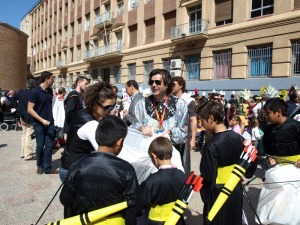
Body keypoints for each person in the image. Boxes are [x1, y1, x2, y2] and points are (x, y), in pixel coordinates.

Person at [60, 116, 139, 225]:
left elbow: (65, 199)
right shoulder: (126, 170)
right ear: (119, 142)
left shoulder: (78, 164)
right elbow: (132, 206)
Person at [197, 101, 256, 225]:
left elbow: (208, 175)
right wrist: (242, 173)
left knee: (217, 219)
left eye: (202, 120)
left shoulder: (210, 146)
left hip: (217, 192)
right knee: (233, 218)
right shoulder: (238, 137)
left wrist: (206, 197)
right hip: (235, 188)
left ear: (211, 118)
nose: (201, 124)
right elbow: (250, 159)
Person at [59, 82, 116, 181]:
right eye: (107, 107)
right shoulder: (90, 124)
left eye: (113, 106)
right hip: (73, 171)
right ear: (94, 104)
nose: (111, 110)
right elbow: (106, 152)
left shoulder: (84, 113)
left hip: (70, 166)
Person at [132, 69, 188, 145]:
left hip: (170, 151)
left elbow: (184, 131)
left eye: (157, 82)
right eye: (151, 82)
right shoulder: (141, 103)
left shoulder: (180, 104)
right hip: (147, 149)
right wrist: (141, 128)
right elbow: (134, 125)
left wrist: (170, 132)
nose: (154, 85)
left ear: (167, 84)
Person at [139, 136, 186, 225]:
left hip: (158, 221)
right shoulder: (181, 175)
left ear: (154, 155)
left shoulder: (152, 181)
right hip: (177, 219)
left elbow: (140, 204)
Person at [27, 71, 57, 174]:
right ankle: (39, 165)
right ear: (47, 79)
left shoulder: (49, 91)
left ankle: (47, 168)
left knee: (49, 147)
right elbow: (30, 109)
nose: (53, 80)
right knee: (40, 146)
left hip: (50, 123)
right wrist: (42, 120)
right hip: (39, 124)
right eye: (52, 78)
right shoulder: (35, 92)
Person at [263, 98, 300, 167]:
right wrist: (270, 158)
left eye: (268, 113)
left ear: (278, 112)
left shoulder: (296, 126)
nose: (266, 116)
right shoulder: (269, 129)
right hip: (278, 169)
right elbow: (267, 148)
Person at [171, 76, 197, 150]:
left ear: (181, 85)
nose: (171, 87)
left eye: (173, 85)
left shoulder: (188, 101)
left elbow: (193, 120)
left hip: (183, 138)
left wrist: (193, 139)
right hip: (170, 136)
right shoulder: (169, 100)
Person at [18, 79, 37, 160]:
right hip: (30, 116)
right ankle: (28, 154)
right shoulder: (34, 93)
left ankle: (22, 152)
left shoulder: (21, 92)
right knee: (29, 135)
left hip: (22, 116)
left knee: (24, 134)